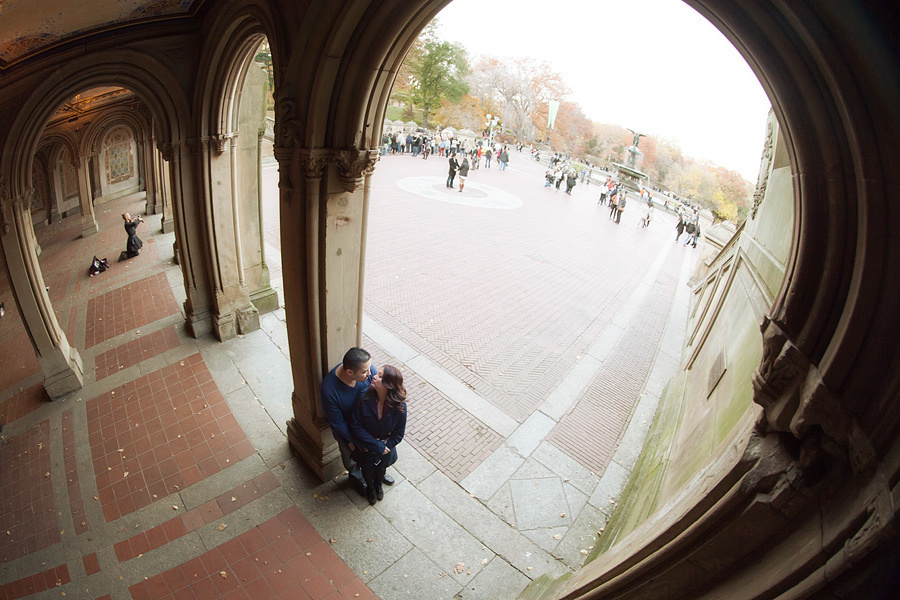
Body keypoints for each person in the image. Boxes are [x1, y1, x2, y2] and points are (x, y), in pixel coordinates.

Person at [320, 347, 394, 496]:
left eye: (369, 369)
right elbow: (338, 424)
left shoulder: (367, 370)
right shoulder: (329, 391)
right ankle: (357, 479)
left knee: (376, 449)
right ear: (349, 372)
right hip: (347, 432)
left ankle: (377, 473)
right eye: (365, 372)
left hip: (368, 425)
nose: (370, 374)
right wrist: (356, 442)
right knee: (351, 459)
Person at [350, 365, 407, 505]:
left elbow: (398, 434)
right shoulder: (364, 397)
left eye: (380, 376)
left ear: (389, 385)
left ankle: (378, 485)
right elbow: (355, 425)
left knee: (381, 467)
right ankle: (370, 488)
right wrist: (375, 445)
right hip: (366, 447)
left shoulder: (399, 406)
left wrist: (383, 446)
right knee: (367, 468)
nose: (374, 376)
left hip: (385, 449)